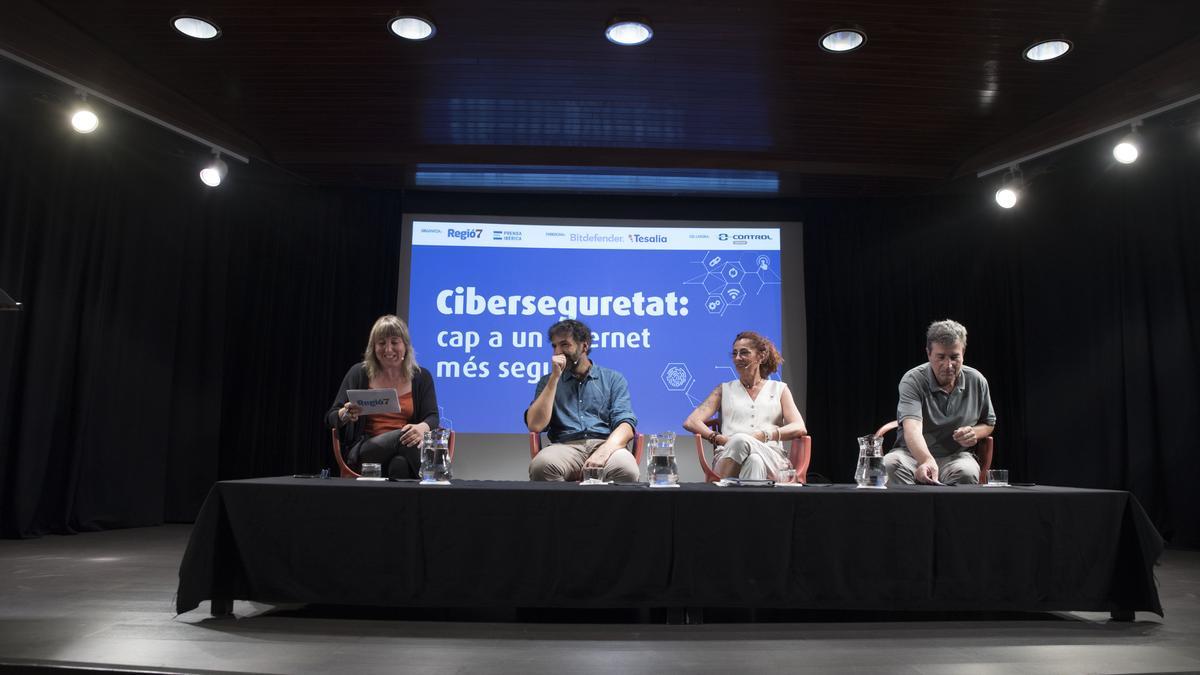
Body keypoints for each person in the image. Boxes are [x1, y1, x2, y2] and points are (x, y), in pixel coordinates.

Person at [883, 319, 996, 485]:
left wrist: (975, 432)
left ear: (963, 353)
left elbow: (989, 423)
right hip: (912, 455)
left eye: (954, 357)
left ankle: (950, 512)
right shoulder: (913, 380)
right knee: (888, 464)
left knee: (967, 471)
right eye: (941, 357)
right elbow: (912, 428)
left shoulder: (977, 381)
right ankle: (908, 511)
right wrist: (926, 460)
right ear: (928, 354)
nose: (948, 365)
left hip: (956, 457)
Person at [326, 315, 439, 478]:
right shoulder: (359, 373)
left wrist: (422, 427)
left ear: (405, 345)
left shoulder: (421, 377)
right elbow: (330, 418)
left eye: (394, 342)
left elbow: (433, 417)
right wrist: (345, 414)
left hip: (406, 449)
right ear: (373, 347)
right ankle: (435, 478)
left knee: (399, 465)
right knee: (404, 437)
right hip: (366, 450)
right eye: (381, 343)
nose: (388, 349)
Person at [683, 331, 807, 480]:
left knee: (741, 440)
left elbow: (799, 427)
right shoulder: (724, 390)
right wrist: (719, 438)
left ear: (761, 356)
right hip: (729, 456)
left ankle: (719, 489)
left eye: (744, 353)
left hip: (772, 457)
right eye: (734, 353)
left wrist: (764, 435)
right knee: (754, 460)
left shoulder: (779, 389)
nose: (737, 358)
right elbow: (691, 421)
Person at [526, 319, 639, 482]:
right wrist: (554, 378)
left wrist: (605, 450)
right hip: (565, 447)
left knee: (626, 470)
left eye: (564, 345)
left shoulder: (613, 379)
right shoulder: (547, 382)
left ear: (584, 346)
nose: (557, 352)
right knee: (541, 466)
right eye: (554, 346)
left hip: (606, 444)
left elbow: (626, 425)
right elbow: (535, 425)